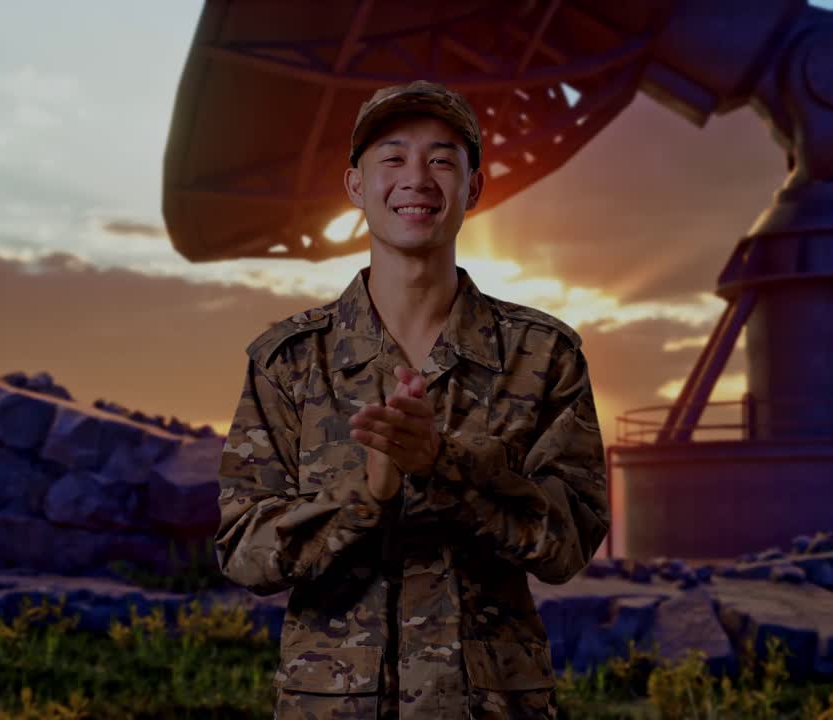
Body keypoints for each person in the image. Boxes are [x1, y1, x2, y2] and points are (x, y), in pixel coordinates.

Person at [214, 79, 609, 719]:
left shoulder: (543, 355)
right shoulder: (290, 361)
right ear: (355, 186)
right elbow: (243, 553)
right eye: (393, 158)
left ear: (474, 188)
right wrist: (365, 495)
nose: (417, 179)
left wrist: (443, 467)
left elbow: (569, 545)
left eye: (443, 160)